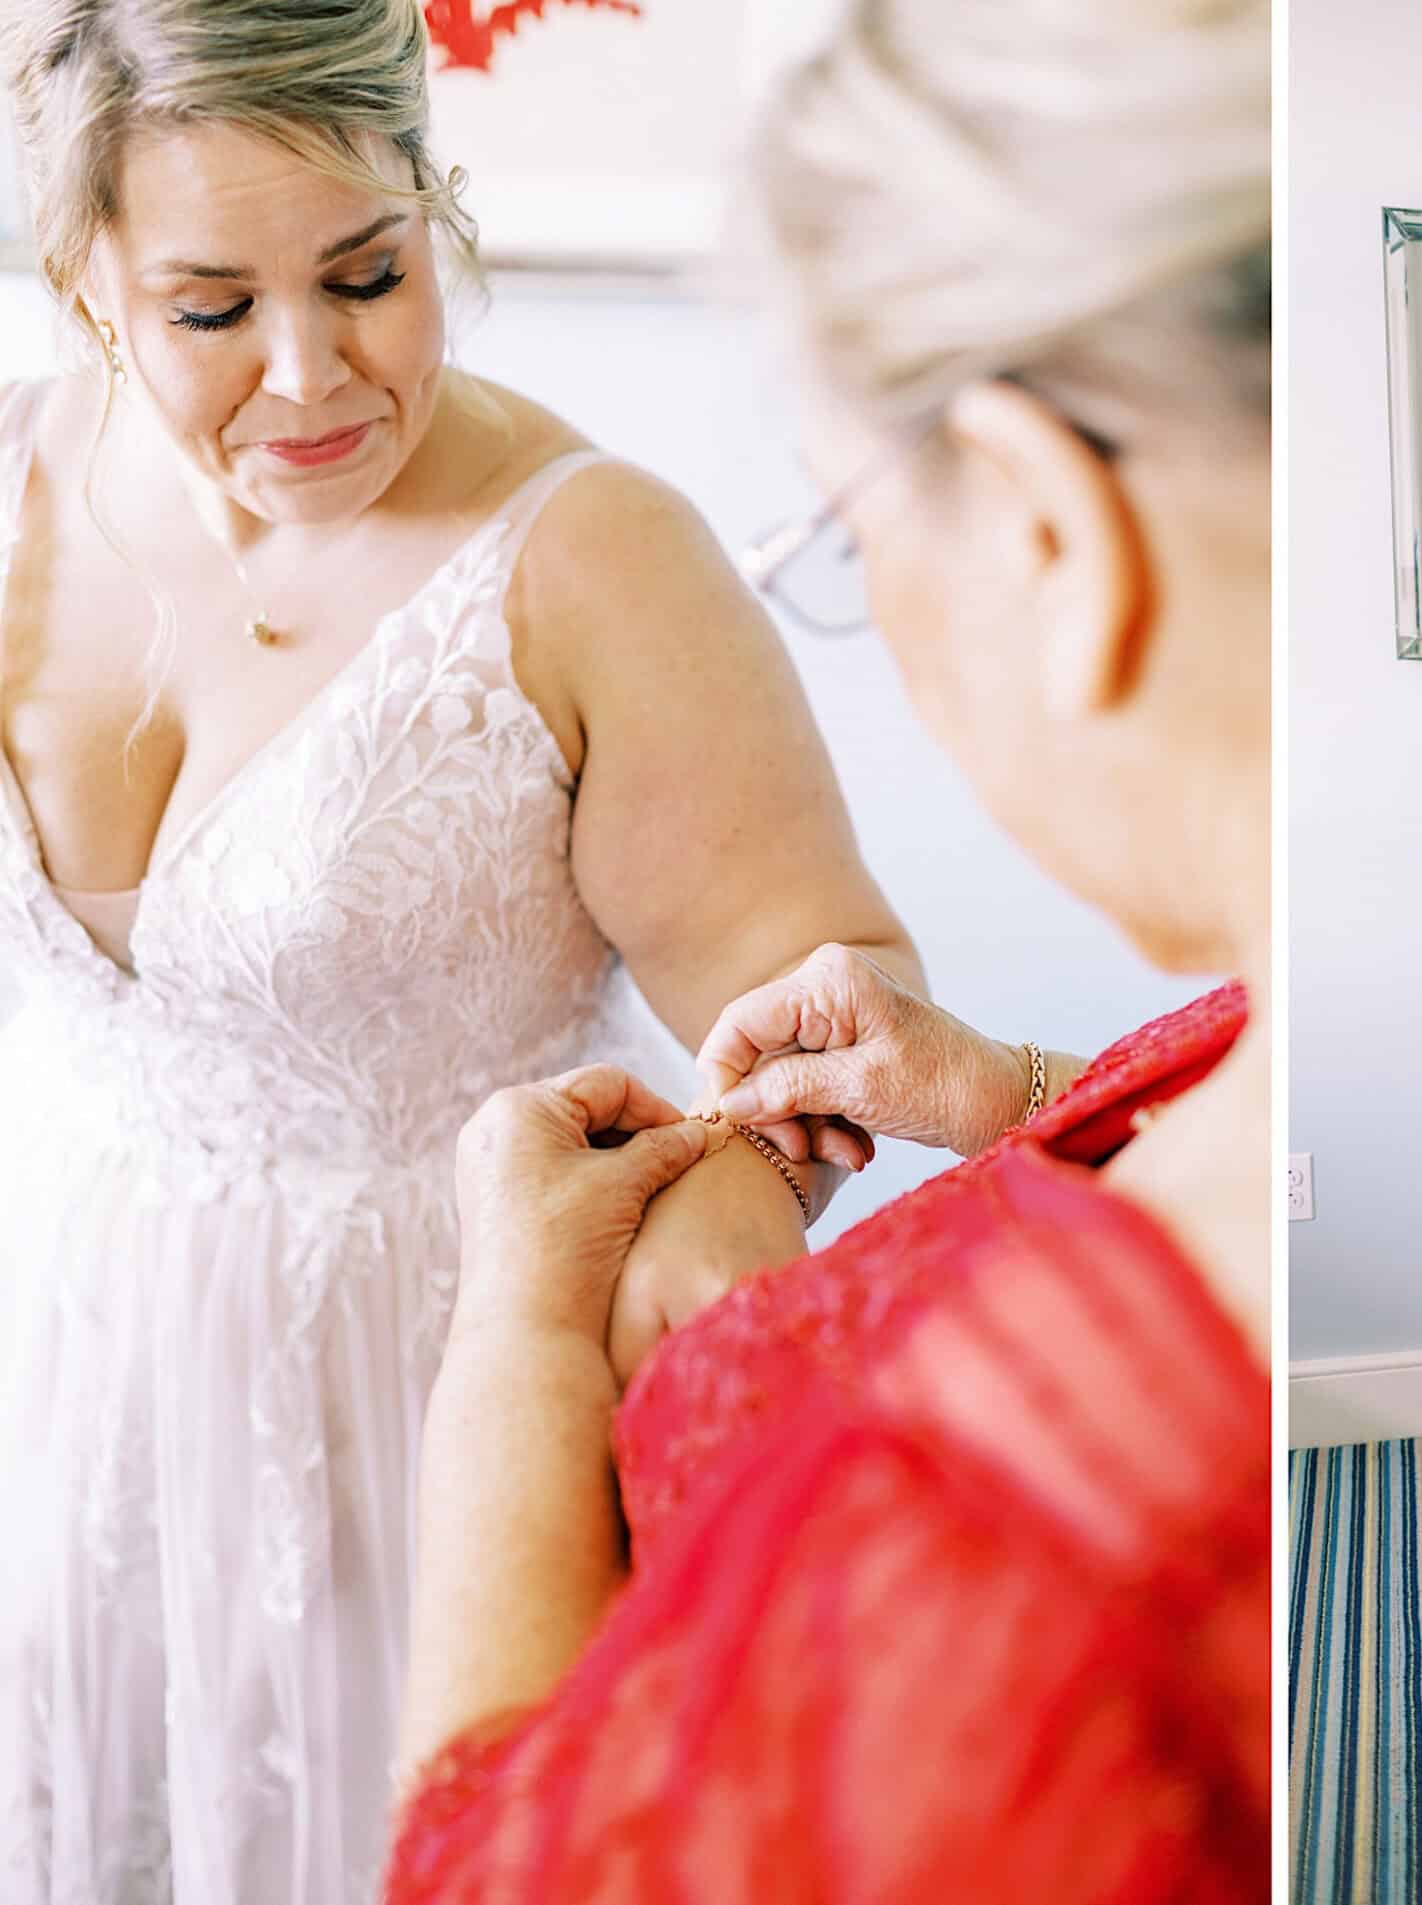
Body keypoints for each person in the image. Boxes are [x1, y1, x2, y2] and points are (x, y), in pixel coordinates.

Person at [0, 2, 919, 1896]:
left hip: (426, 1417)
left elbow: (819, 1013)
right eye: (209, 309)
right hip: (64, 1369)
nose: (309, 374)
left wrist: (735, 1193)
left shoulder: (594, 561)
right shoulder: (12, 489)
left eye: (368, 274)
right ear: (86, 277)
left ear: (435, 204)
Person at [383, 2, 1272, 1898]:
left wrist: (518, 1339)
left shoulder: (1022, 1587)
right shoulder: (1275, 1043)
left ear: (1051, 530)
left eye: (855, 548)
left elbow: (487, 1859)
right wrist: (1016, 1091)